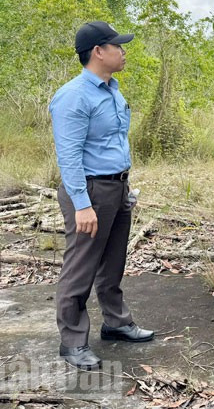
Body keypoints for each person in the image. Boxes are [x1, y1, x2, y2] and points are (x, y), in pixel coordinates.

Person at [50, 21, 154, 371]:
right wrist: (82, 204)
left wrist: (125, 188)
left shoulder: (112, 90)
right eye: (118, 46)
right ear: (98, 51)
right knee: (80, 266)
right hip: (90, 190)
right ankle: (73, 342)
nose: (123, 52)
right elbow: (69, 155)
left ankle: (116, 322)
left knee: (113, 262)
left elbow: (112, 142)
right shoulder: (73, 96)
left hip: (116, 187)